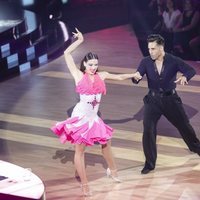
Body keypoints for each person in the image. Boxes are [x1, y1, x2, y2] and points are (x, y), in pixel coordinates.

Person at [51, 28, 141, 196]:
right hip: (81, 117)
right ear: (84, 64)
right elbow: (66, 54)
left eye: (95, 64)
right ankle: (85, 185)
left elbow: (120, 77)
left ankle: (113, 171)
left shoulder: (103, 75)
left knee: (106, 143)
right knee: (80, 150)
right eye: (90, 64)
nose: (93, 67)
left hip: (93, 118)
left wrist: (133, 74)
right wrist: (80, 41)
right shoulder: (78, 75)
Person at [132, 34, 200, 175]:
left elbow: (190, 70)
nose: (150, 51)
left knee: (184, 126)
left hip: (171, 100)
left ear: (161, 48)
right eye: (149, 48)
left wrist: (184, 76)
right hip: (152, 101)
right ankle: (149, 163)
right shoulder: (145, 61)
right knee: (148, 130)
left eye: (153, 49)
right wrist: (136, 78)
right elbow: (137, 76)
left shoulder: (173, 60)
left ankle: (197, 148)